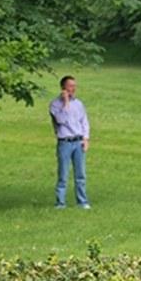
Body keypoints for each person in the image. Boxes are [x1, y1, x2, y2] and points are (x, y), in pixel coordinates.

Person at [49, 75, 91, 209]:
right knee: (63, 174)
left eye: (75, 86)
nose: (74, 88)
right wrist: (66, 102)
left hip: (78, 142)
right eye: (71, 86)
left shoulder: (79, 104)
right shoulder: (55, 104)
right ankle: (60, 203)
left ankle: (82, 202)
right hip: (65, 143)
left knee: (80, 174)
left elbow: (84, 122)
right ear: (63, 87)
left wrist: (86, 138)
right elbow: (61, 120)